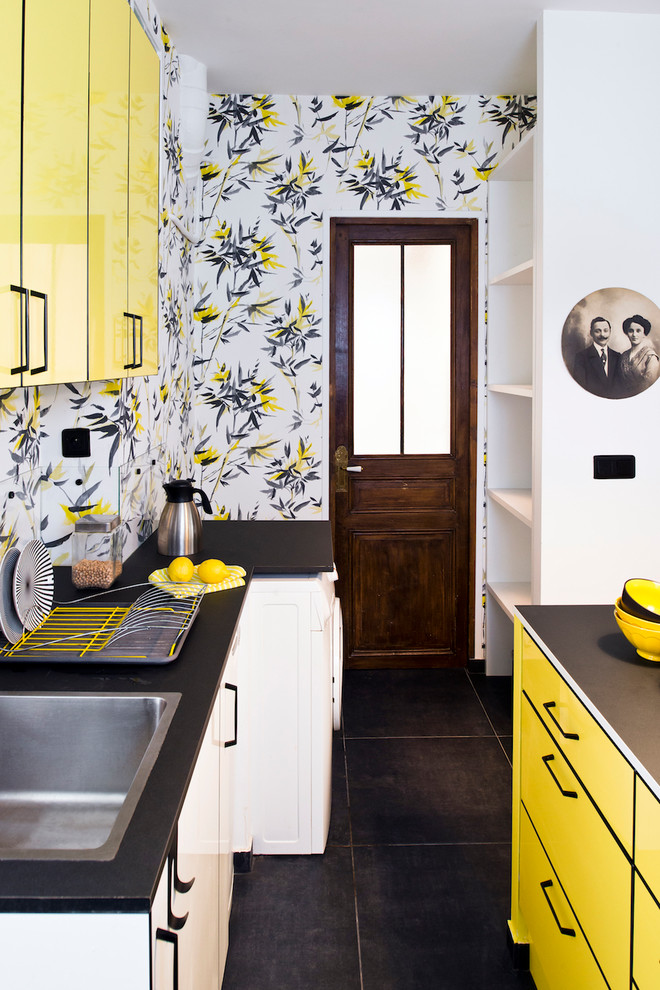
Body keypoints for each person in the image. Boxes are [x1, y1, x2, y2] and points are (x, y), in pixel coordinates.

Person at [572, 316, 621, 397]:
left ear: (610, 332)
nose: (602, 335)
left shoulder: (617, 356)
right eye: (597, 331)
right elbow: (580, 388)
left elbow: (620, 387)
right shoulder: (581, 357)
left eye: (606, 331)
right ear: (591, 333)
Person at [616, 314, 660, 397]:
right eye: (631, 331)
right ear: (627, 333)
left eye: (638, 331)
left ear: (644, 334)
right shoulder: (623, 356)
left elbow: (649, 384)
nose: (634, 334)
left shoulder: (650, 356)